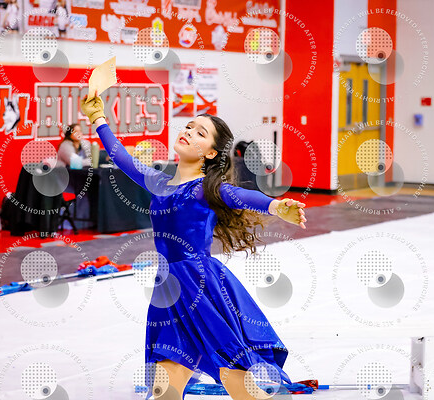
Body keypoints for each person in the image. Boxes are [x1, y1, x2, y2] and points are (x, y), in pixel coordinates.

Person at [81, 93, 307, 400]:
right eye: (189, 126)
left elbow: (241, 196)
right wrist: (98, 118)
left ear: (211, 153)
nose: (188, 132)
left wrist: (276, 206)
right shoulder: (159, 183)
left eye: (200, 133)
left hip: (199, 285)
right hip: (168, 289)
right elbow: (122, 157)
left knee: (238, 384)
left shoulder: (206, 189)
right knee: (163, 391)